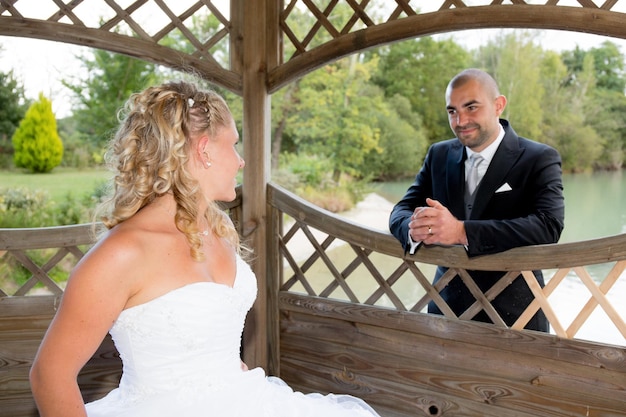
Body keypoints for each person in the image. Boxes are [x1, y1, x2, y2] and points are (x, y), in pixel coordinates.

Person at [30, 80, 381, 417]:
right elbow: (49, 375)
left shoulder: (218, 229)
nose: (240, 160)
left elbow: (214, 334)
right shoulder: (123, 253)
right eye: (234, 145)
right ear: (204, 150)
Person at [389, 68, 564, 332]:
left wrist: (461, 231)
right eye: (452, 111)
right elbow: (401, 210)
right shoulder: (438, 154)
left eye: (471, 107)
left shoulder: (539, 158)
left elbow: (548, 226)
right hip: (444, 310)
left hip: (517, 317)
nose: (460, 121)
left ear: (498, 105)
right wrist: (414, 228)